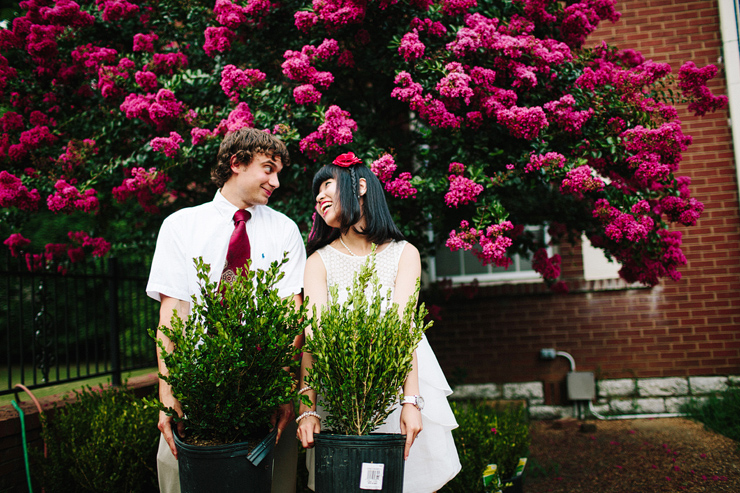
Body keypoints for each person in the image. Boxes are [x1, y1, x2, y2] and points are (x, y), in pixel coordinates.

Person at [146, 128, 307, 493]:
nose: (276, 181)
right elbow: (171, 315)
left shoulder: (284, 230)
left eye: (279, 172)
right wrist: (169, 399)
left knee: (272, 484)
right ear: (237, 163)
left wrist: (282, 389)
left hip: (262, 389)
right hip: (196, 385)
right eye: (268, 169)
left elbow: (290, 315)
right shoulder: (180, 226)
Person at [295, 152, 461, 492]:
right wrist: (307, 409)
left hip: (398, 384)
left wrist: (410, 402)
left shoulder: (404, 253)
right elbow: (313, 338)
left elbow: (403, 332)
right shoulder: (318, 262)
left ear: (358, 186)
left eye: (327, 185)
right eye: (317, 194)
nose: (319, 198)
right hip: (340, 393)